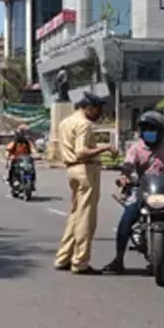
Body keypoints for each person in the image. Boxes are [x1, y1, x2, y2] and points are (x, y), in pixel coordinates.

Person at [104, 111, 164, 273]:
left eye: (152, 129)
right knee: (126, 219)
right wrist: (124, 177)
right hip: (144, 189)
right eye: (145, 128)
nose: (148, 132)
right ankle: (118, 259)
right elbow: (128, 164)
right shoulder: (135, 148)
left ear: (161, 131)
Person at [54, 93, 115, 275]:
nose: (99, 113)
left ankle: (63, 257)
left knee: (75, 215)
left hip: (71, 170)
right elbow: (81, 152)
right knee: (86, 218)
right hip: (85, 170)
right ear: (89, 108)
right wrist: (105, 148)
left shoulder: (65, 122)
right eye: (98, 109)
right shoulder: (84, 124)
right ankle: (80, 261)